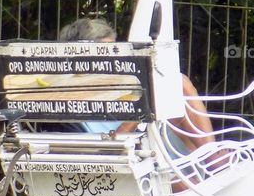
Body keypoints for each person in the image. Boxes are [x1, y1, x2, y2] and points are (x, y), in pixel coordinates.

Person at [56, 17, 215, 151]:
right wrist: (141, 110)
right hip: (130, 159)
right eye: (105, 53)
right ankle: (208, 173)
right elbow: (108, 152)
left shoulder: (120, 84)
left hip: (154, 146)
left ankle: (213, 158)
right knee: (148, 155)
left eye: (115, 51)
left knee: (176, 82)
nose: (114, 60)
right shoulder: (68, 101)